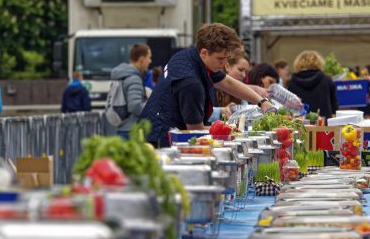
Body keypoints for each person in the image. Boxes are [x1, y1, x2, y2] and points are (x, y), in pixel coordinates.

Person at [140, 23, 276, 147]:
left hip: (155, 129)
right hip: (158, 139)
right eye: (220, 59)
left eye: (226, 58)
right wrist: (232, 131)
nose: (224, 63)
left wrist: (262, 101)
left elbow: (227, 82)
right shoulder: (190, 82)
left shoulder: (191, 56)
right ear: (204, 52)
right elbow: (195, 131)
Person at [110, 43, 152, 138]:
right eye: (149, 57)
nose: (150, 61)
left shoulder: (122, 75)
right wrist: (152, 107)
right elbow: (135, 106)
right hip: (131, 130)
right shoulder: (134, 79)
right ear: (141, 59)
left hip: (122, 127)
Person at [288, 50, 338, 119]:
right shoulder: (326, 80)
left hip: (300, 124)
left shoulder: (292, 82)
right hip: (324, 125)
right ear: (319, 62)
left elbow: (289, 108)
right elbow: (334, 106)